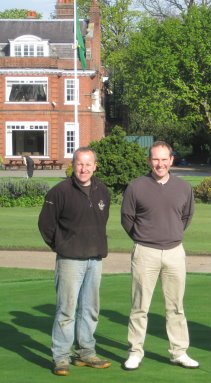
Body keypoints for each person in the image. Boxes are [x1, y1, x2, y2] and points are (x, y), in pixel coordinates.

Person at [121, 141, 198, 371]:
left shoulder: (184, 187)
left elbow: (187, 216)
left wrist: (171, 234)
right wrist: (144, 236)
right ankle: (135, 352)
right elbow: (127, 218)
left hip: (175, 252)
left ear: (171, 160)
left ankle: (179, 352)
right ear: (149, 161)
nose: (160, 164)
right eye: (156, 159)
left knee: (175, 307)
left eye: (164, 159)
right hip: (145, 252)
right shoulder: (136, 186)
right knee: (139, 306)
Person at [38, 147, 111, 376]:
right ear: (73, 164)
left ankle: (86, 352)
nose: (84, 168)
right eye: (80, 163)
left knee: (90, 309)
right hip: (69, 259)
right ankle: (61, 357)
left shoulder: (102, 190)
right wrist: (60, 245)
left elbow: (102, 221)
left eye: (88, 164)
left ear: (95, 166)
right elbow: (45, 225)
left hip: (94, 259)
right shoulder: (59, 192)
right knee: (66, 310)